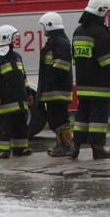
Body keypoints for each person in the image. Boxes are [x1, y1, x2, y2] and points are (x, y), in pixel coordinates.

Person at [71, 0, 110, 159]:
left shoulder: (77, 32)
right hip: (100, 86)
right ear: (100, 11)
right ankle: (98, 148)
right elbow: (107, 61)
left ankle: (75, 146)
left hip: (83, 86)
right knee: (98, 119)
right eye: (107, 13)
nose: (108, 17)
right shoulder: (100, 32)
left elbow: (75, 59)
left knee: (82, 117)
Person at [0, 24, 32, 158]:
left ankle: (21, 148)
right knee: (4, 127)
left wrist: (28, 93)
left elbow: (23, 77)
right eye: (14, 38)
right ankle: (2, 150)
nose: (16, 40)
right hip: (5, 100)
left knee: (21, 125)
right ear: (6, 38)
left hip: (19, 99)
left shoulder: (17, 56)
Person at [37, 12, 74, 157]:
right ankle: (61, 145)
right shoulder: (55, 42)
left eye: (44, 26)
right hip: (53, 90)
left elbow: (61, 66)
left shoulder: (61, 43)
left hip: (58, 91)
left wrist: (50, 82)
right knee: (54, 119)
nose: (43, 29)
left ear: (50, 25)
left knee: (59, 118)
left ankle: (68, 145)